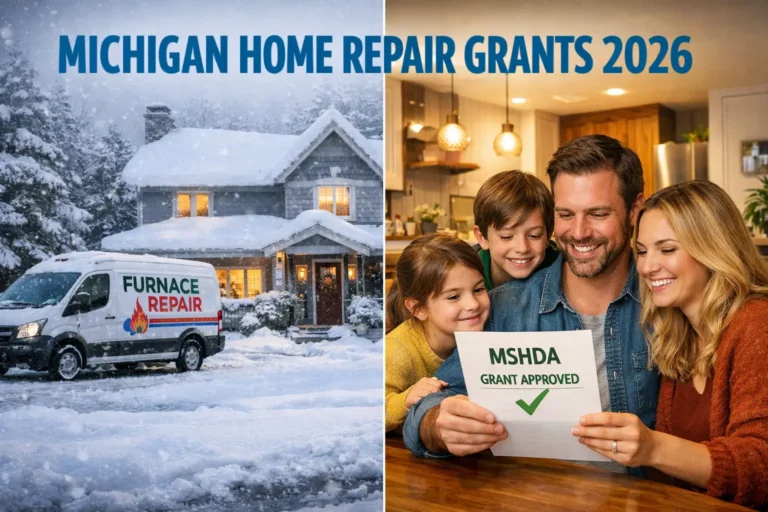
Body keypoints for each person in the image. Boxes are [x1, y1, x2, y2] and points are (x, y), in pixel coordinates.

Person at [403, 135, 659, 478]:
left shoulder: (666, 301)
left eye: (598, 213)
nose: (579, 232)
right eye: (566, 214)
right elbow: (428, 408)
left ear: (635, 210)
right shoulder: (503, 307)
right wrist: (438, 424)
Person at [571, 181, 768, 507]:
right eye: (643, 251)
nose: (647, 267)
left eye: (667, 249)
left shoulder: (756, 325)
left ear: (712, 248)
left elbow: (761, 463)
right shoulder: (679, 334)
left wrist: (654, 448)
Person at [385, 233, 490, 432]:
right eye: (453, 297)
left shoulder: (487, 330)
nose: (473, 304)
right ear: (418, 309)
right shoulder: (394, 351)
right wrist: (405, 399)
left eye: (478, 289)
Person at [472, 170, 559, 289]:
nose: (522, 248)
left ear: (548, 235)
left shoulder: (563, 271)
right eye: (506, 237)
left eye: (534, 235)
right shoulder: (462, 274)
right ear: (482, 237)